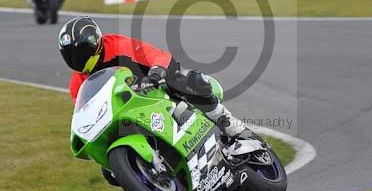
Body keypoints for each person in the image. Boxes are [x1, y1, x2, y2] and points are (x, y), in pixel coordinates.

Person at [58, 16, 250, 140]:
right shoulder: (77, 84)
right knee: (109, 172)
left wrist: (156, 73)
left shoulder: (118, 46)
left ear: (94, 44)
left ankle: (230, 124)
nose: (76, 60)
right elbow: (85, 114)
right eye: (69, 55)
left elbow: (156, 55)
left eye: (81, 53)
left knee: (187, 81)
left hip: (153, 85)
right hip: (126, 108)